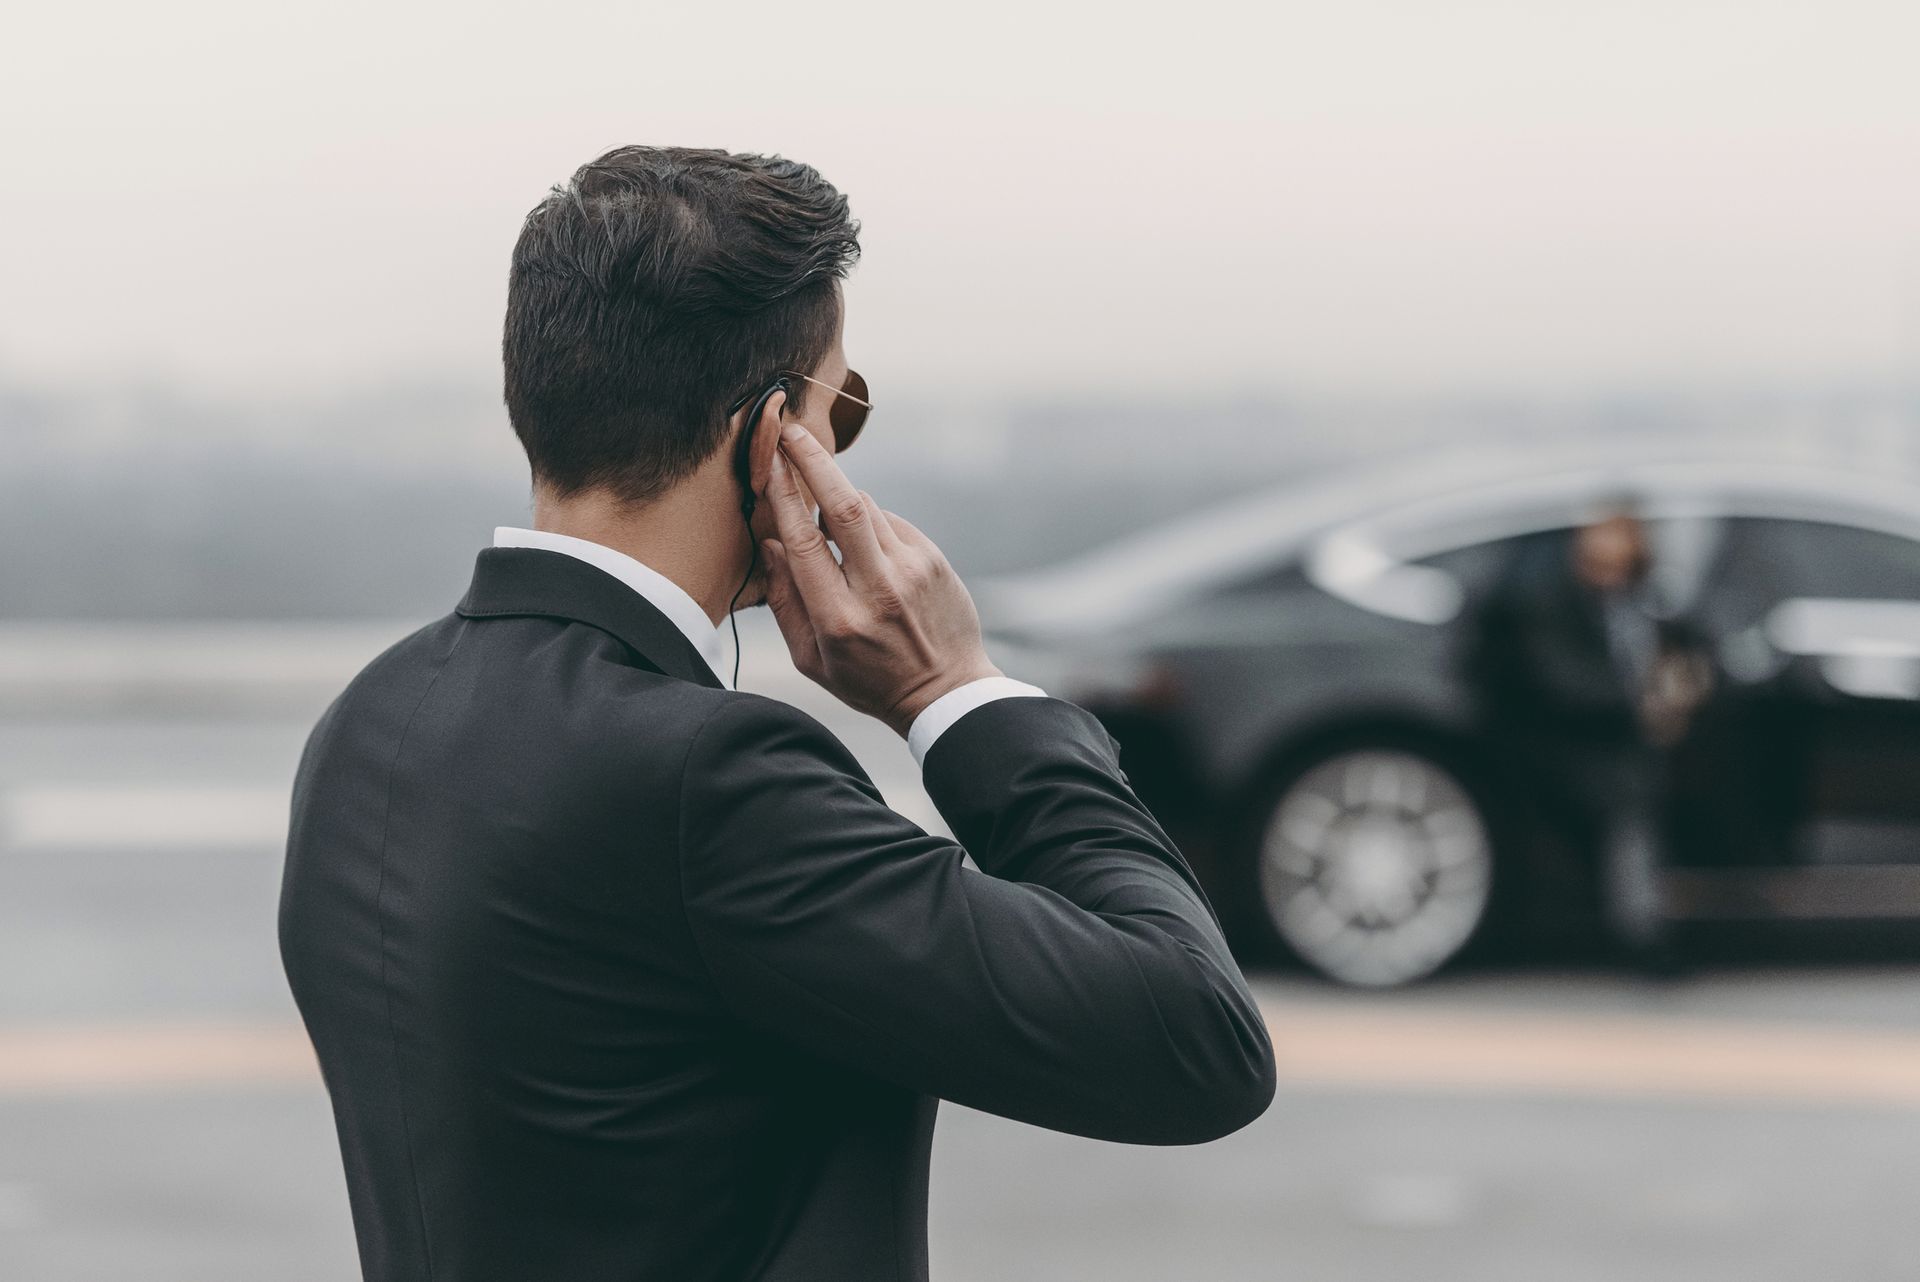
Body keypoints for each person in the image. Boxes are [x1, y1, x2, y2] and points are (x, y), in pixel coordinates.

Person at [277, 145, 1274, 1282]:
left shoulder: (368, 722)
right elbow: (1194, 1041)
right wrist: (956, 692)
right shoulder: (709, 778)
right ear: (772, 436)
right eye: (842, 407)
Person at [1460, 501, 1710, 971]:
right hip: (1565, 744)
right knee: (1629, 801)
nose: (1612, 546)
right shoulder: (1548, 596)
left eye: (1623, 534)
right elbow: (1561, 682)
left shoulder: (1645, 599)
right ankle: (1643, 932)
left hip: (1630, 740)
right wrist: (1643, 705)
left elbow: (1687, 652)